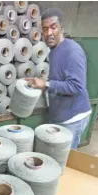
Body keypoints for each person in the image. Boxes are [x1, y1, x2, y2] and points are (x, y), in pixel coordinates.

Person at [26, 8, 91, 149]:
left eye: (53, 27)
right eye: (45, 29)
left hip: (73, 117)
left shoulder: (72, 51)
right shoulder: (54, 50)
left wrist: (47, 83)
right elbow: (59, 78)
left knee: (63, 158)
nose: (49, 33)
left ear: (61, 28)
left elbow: (76, 86)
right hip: (60, 114)